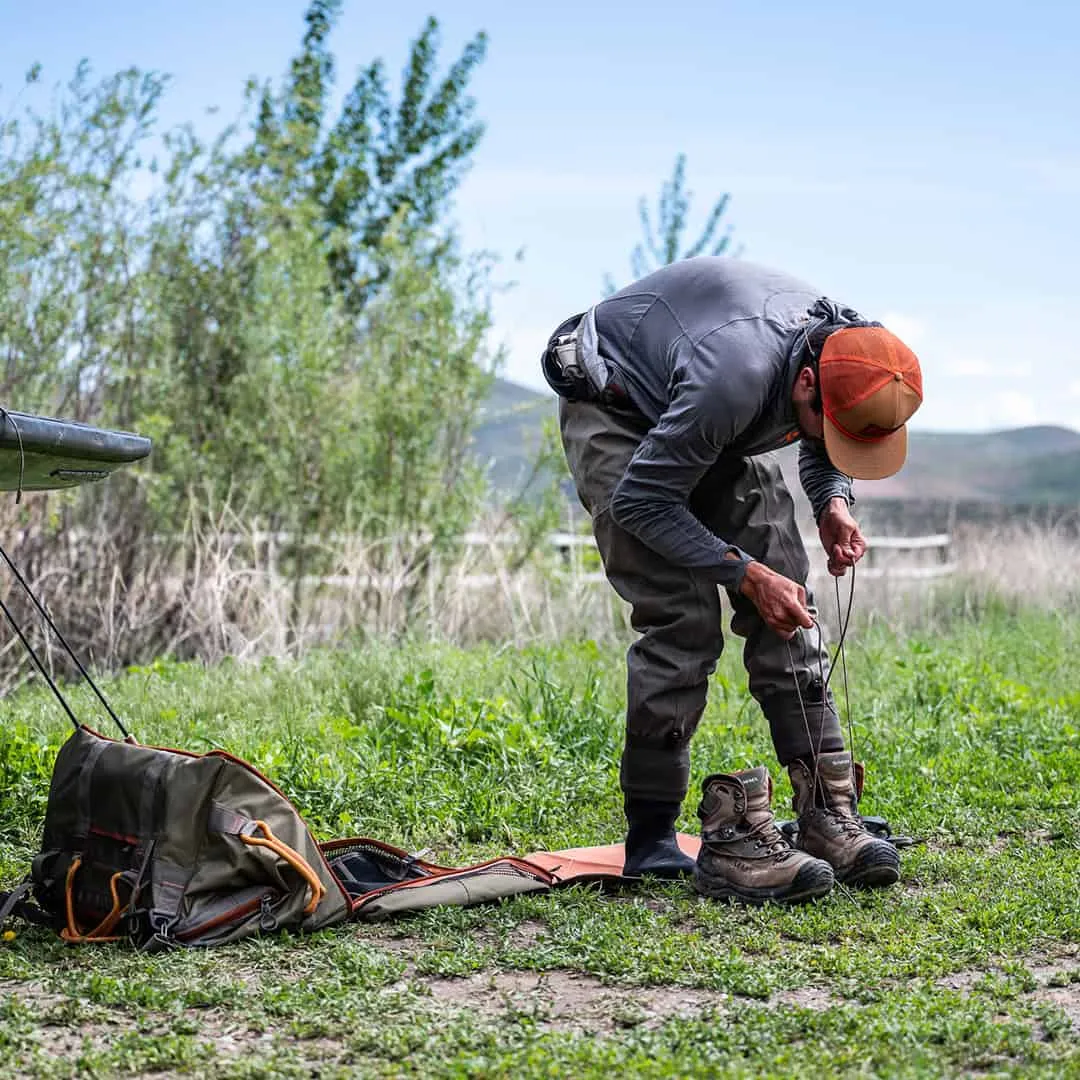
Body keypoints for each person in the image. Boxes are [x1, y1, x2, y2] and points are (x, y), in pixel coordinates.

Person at [542, 257, 923, 904]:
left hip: (706, 422)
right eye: (824, 424)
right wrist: (744, 575)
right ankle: (653, 836)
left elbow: (831, 435)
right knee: (682, 619)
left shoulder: (859, 348)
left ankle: (827, 815)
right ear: (804, 383)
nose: (830, 439)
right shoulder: (734, 375)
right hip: (619, 414)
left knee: (789, 600)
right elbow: (643, 503)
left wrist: (832, 501)